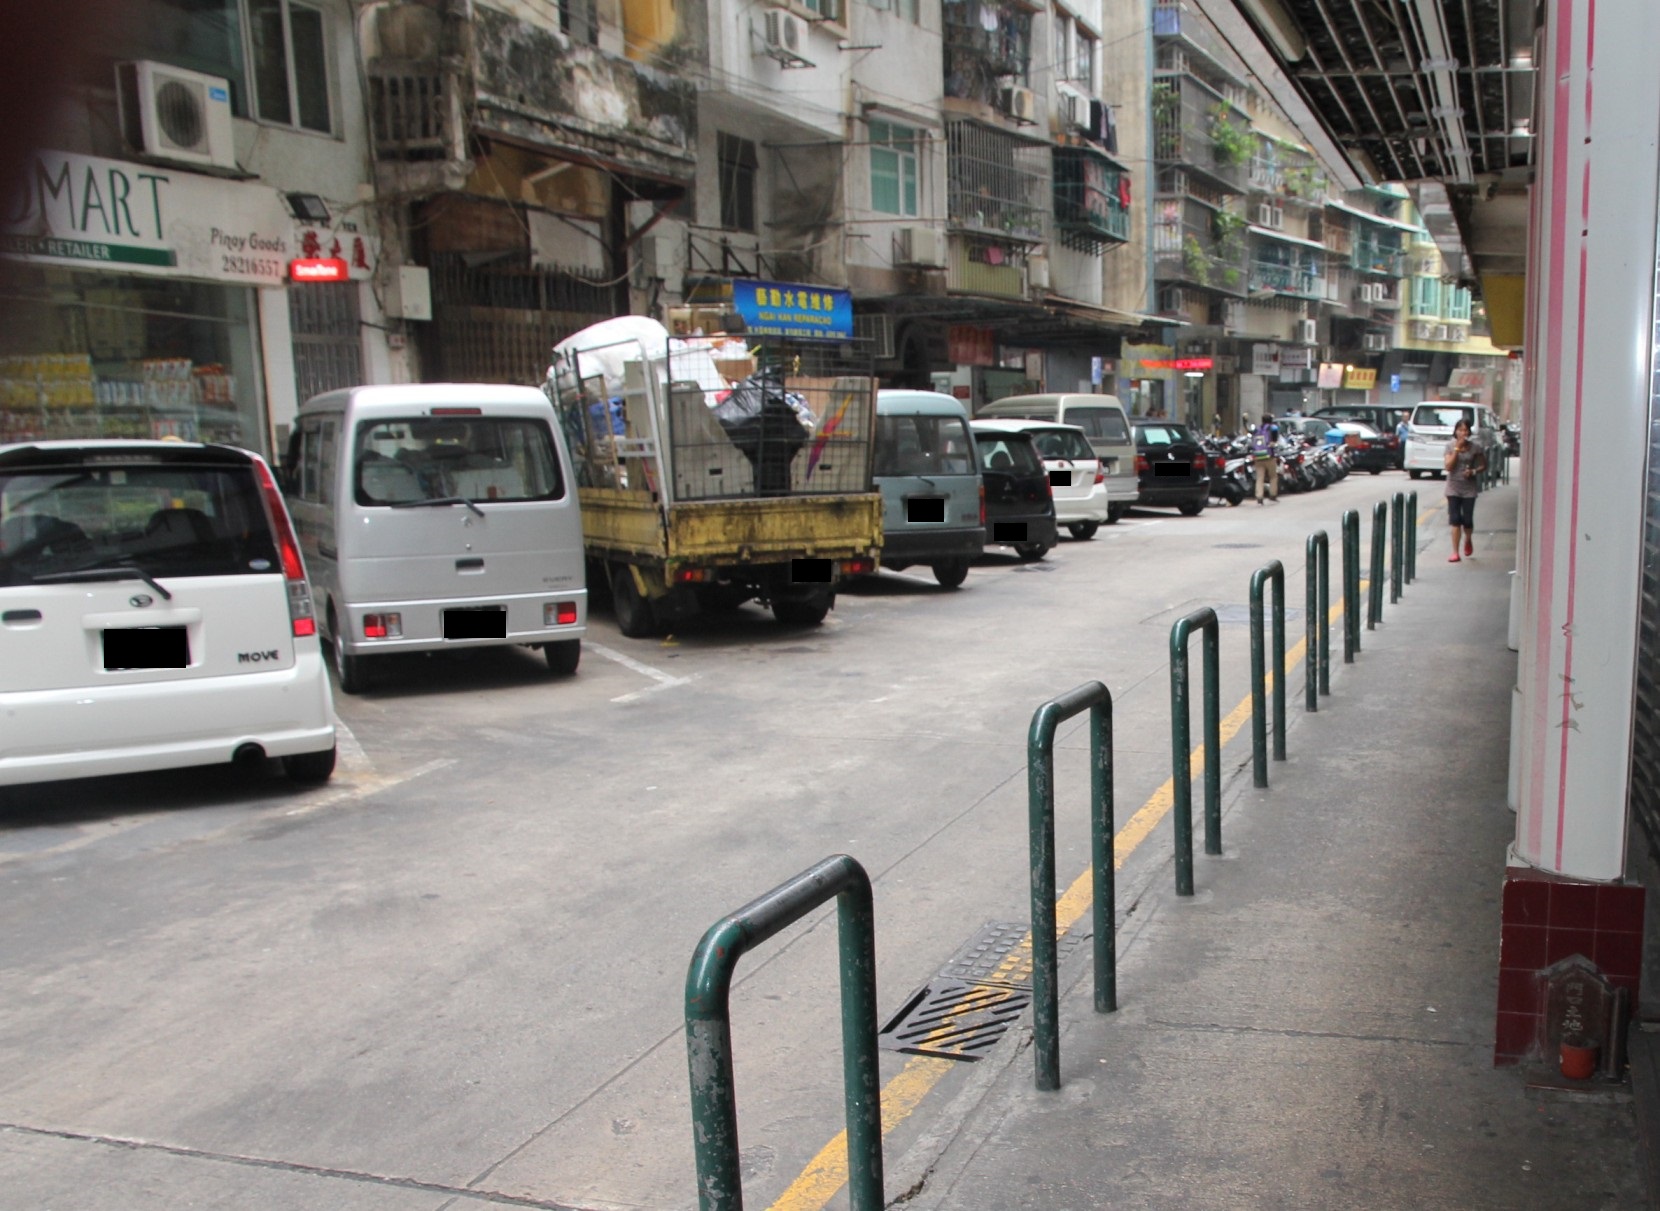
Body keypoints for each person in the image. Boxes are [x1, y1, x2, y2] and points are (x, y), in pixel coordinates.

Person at [1443, 417, 1487, 561]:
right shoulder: (1450, 446)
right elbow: (1448, 466)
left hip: (1469, 488)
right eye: (1460, 430)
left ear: (1469, 432)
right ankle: (1455, 552)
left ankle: (1468, 539)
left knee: (1467, 520)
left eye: (1465, 430)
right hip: (1453, 487)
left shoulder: (1475, 447)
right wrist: (1457, 449)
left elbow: (1483, 465)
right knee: (1455, 519)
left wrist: (1473, 471)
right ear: (1455, 432)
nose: (1463, 433)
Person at [1250, 412, 1280, 504]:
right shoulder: (1273, 428)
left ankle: (1259, 496)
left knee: (1260, 477)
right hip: (1269, 456)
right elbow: (1275, 441)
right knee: (1273, 476)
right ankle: (1272, 495)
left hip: (1258, 456)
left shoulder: (1257, 429)